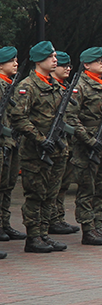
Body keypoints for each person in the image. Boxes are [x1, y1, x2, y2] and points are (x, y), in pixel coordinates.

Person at [8, 41, 70, 253]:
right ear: (39, 60)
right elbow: (18, 118)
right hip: (36, 151)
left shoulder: (54, 85)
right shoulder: (28, 86)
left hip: (56, 149)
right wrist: (40, 138)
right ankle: (33, 237)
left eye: (55, 56)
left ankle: (43, 234)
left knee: (50, 195)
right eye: (51, 56)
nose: (55, 60)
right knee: (36, 195)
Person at [67, 47, 102, 246]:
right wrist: (90, 140)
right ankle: (88, 229)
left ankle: (98, 225)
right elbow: (70, 117)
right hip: (87, 145)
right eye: (97, 60)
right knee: (87, 189)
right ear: (86, 64)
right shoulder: (79, 86)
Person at [48, 51, 79, 236]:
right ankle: (50, 220)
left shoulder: (66, 87)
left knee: (62, 184)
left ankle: (58, 217)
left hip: (66, 143)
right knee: (51, 186)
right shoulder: (50, 87)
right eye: (64, 65)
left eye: (69, 66)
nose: (67, 68)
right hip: (51, 142)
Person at [0, 47, 26, 248]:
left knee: (8, 185)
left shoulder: (11, 85)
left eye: (16, 60)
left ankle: (4, 223)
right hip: (3, 141)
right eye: (11, 61)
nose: (15, 64)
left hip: (12, 142)